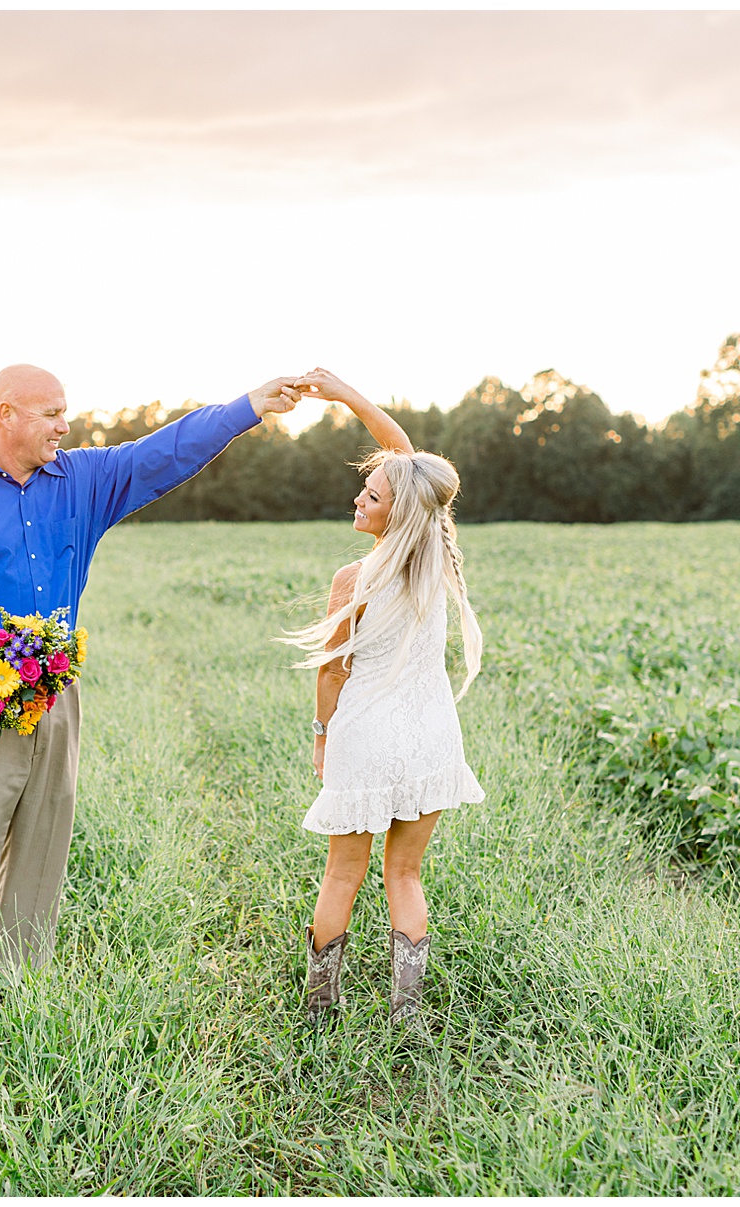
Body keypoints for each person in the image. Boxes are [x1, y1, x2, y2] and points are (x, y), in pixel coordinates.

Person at [0, 364, 302, 967]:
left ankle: (18, 997)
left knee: (42, 854)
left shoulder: (83, 481)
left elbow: (165, 452)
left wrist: (247, 408)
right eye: (50, 413)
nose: (64, 425)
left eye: (63, 412)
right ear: (5, 414)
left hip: (56, 695)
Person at [282, 367, 484, 1024]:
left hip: (366, 735)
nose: (359, 499)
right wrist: (346, 396)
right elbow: (411, 464)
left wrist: (320, 739)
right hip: (430, 735)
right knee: (406, 875)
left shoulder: (354, 578)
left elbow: (332, 675)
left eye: (372, 495)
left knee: (344, 873)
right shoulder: (438, 553)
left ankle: (321, 1009)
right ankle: (407, 1015)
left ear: (399, 509)